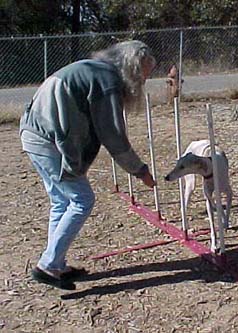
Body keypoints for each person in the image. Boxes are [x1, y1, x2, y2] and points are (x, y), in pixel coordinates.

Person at [19, 40, 156, 290]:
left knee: (62, 201)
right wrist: (140, 170)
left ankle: (56, 264)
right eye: (142, 76)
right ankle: (48, 265)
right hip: (45, 139)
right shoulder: (107, 81)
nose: (142, 83)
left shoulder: (96, 69)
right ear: (131, 68)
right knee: (82, 200)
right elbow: (112, 135)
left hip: (33, 132)